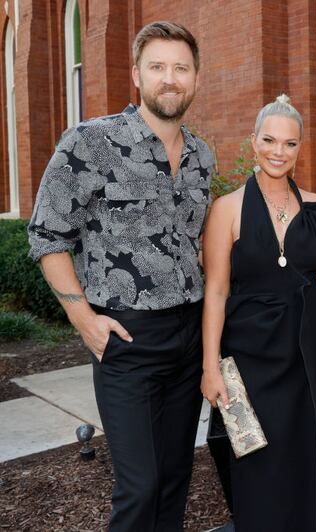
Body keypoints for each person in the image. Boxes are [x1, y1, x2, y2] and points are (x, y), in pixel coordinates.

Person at [27, 21, 212, 530]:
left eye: (181, 68)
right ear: (136, 74)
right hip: (127, 338)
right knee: (140, 486)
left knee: (175, 477)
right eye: (158, 67)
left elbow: (193, 243)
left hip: (189, 334)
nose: (170, 78)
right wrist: (83, 318)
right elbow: (46, 235)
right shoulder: (90, 142)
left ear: (196, 78)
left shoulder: (201, 156)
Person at [200, 94, 316, 531]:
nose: (279, 151)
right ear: (253, 141)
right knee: (257, 458)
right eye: (269, 140)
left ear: (300, 147)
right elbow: (216, 290)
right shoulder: (226, 209)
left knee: (312, 453)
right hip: (251, 355)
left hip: (312, 352)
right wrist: (210, 366)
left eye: (290, 143)